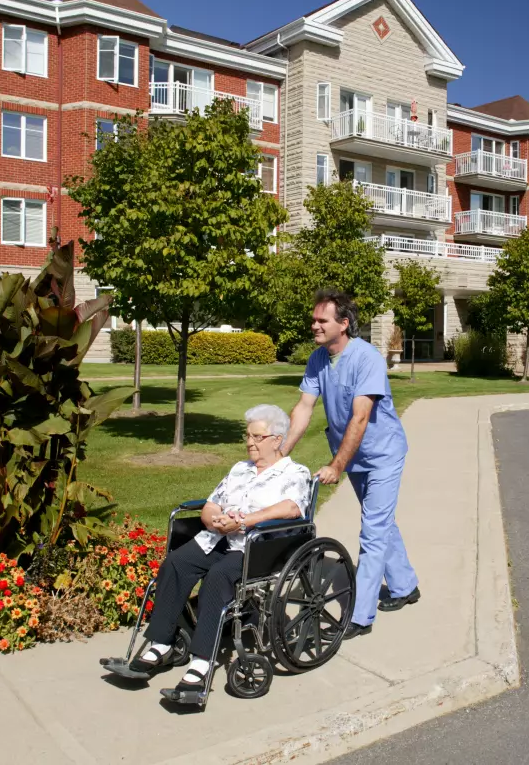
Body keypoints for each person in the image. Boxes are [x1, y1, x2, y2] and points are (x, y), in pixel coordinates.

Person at [117, 404, 311, 702]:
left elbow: (291, 508)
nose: (250, 442)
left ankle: (201, 663)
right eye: (247, 435)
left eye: (257, 437)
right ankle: (161, 643)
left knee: (218, 578)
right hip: (218, 538)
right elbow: (212, 503)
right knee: (177, 562)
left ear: (277, 439)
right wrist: (213, 519)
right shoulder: (239, 469)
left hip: (256, 547)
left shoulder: (294, 472)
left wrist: (245, 520)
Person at [282, 289, 420, 639]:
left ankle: (360, 617)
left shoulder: (367, 358)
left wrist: (336, 465)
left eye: (321, 320)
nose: (314, 325)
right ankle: (405, 586)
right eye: (313, 319)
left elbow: (360, 418)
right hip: (353, 454)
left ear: (343, 324)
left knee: (372, 530)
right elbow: (303, 409)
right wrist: (280, 453)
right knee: (381, 521)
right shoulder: (318, 359)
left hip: (382, 453)